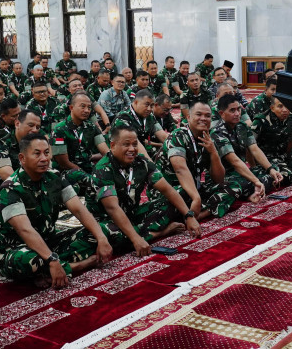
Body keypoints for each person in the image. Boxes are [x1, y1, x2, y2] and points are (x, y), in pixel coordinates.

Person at [0, 133, 113, 287]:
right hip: (15, 250)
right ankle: (76, 266)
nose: (44, 158)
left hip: (48, 242)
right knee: (29, 260)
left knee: (102, 230)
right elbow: (25, 230)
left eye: (47, 153)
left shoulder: (54, 177)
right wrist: (52, 260)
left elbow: (79, 210)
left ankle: (49, 270)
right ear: (22, 158)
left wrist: (101, 238)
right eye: (37, 154)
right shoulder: (10, 188)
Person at [87, 124, 201, 256]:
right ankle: (158, 232)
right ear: (112, 146)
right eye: (126, 144)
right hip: (106, 221)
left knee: (180, 195)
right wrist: (136, 238)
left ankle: (138, 233)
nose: (132, 149)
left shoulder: (142, 162)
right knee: (110, 235)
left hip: (131, 214)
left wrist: (189, 216)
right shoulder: (103, 168)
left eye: (135, 144)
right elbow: (112, 209)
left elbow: (168, 190)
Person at [153, 101, 226, 220]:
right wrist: (196, 197)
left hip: (192, 187)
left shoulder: (207, 138)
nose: (203, 118)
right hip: (171, 189)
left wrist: (213, 152)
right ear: (188, 117)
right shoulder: (178, 136)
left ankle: (198, 214)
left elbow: (219, 179)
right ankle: (200, 209)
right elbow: (180, 170)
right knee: (181, 195)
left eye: (207, 116)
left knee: (232, 185)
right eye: (199, 114)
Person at [211, 94, 275, 202]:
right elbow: (234, 161)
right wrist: (255, 181)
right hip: (226, 175)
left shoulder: (242, 126)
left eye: (238, 109)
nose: (237, 114)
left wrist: (270, 169)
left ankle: (253, 191)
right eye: (232, 110)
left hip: (241, 171)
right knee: (242, 185)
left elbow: (254, 149)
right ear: (222, 114)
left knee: (273, 173)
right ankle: (252, 191)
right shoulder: (217, 132)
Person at [50, 92, 109, 195]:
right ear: (71, 107)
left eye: (89, 107)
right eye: (82, 106)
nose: (86, 110)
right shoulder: (60, 129)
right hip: (67, 171)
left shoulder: (91, 127)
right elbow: (63, 163)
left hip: (87, 167)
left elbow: (105, 151)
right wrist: (86, 174)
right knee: (94, 183)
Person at [0, 108, 41, 211]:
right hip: (5, 195)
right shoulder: (0, 146)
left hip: (30, 189)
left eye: (37, 127)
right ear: (17, 124)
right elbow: (7, 175)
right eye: (31, 125)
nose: (34, 130)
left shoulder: (34, 145)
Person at [112, 90, 167, 157]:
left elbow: (162, 134)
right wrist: (151, 165)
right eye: (146, 105)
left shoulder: (149, 116)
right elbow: (137, 146)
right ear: (135, 102)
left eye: (152, 105)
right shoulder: (123, 118)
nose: (149, 109)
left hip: (143, 148)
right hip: (126, 153)